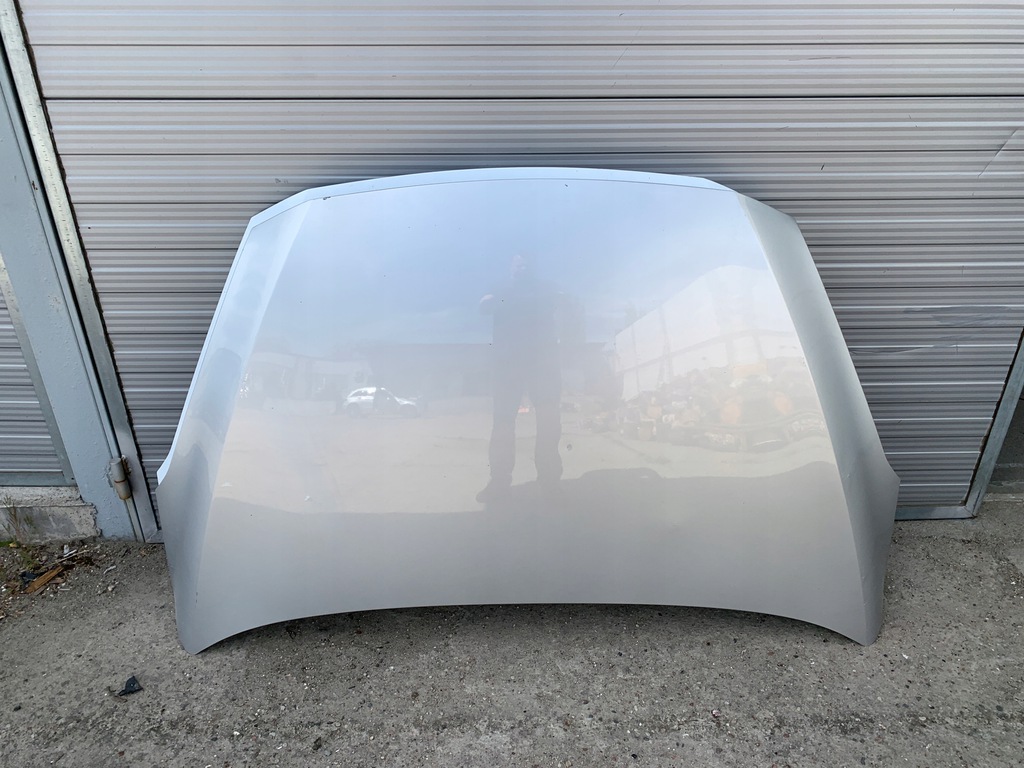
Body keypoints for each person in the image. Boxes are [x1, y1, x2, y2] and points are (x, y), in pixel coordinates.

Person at [477, 254, 565, 503]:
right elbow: (483, 306)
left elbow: (565, 304)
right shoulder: (499, 288)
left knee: (548, 421)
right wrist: (502, 300)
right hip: (508, 364)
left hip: (542, 364)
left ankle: (550, 482)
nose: (522, 268)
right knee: (503, 422)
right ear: (511, 267)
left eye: (527, 265)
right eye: (518, 264)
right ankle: (499, 481)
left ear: (534, 268)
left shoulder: (547, 288)